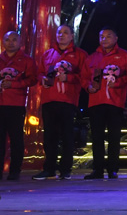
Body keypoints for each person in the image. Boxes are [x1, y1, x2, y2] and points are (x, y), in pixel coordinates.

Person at [0, 30, 37, 180]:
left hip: (15, 105)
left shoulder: (27, 61)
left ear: (19, 42)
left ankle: (14, 171)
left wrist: (14, 84)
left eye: (14, 40)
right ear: (3, 42)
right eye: (7, 40)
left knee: (16, 139)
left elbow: (32, 79)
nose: (10, 43)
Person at [33, 25, 87, 180]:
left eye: (65, 33)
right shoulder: (48, 54)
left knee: (67, 135)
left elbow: (85, 77)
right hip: (49, 99)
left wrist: (68, 78)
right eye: (59, 33)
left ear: (72, 36)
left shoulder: (80, 55)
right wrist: (43, 79)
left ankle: (65, 169)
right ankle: (49, 169)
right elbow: (39, 73)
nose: (61, 35)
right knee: (50, 136)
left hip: (68, 100)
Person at [82, 27, 127, 179]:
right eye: (102, 36)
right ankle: (97, 170)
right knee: (97, 137)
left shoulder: (125, 56)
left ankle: (113, 169)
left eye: (108, 36)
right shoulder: (92, 57)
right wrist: (88, 86)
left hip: (115, 102)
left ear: (116, 38)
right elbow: (84, 77)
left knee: (114, 137)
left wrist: (118, 83)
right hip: (96, 102)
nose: (104, 39)